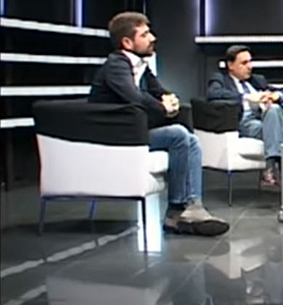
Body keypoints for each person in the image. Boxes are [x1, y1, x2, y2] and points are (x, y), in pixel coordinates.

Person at [88, 12, 229, 236]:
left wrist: (170, 100)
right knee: (178, 135)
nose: (152, 38)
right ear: (127, 43)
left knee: (190, 140)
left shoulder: (141, 66)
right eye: (144, 35)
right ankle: (177, 210)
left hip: (132, 132)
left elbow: (159, 90)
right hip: (113, 135)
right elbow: (134, 96)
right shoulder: (116, 65)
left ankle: (190, 206)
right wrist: (162, 107)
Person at [206, 45, 283, 209]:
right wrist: (247, 97)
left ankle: (270, 167)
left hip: (263, 121)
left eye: (250, 62)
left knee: (279, 117)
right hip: (244, 123)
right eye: (244, 63)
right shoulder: (220, 79)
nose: (249, 66)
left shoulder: (257, 80)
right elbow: (213, 94)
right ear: (230, 65)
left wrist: (276, 95)